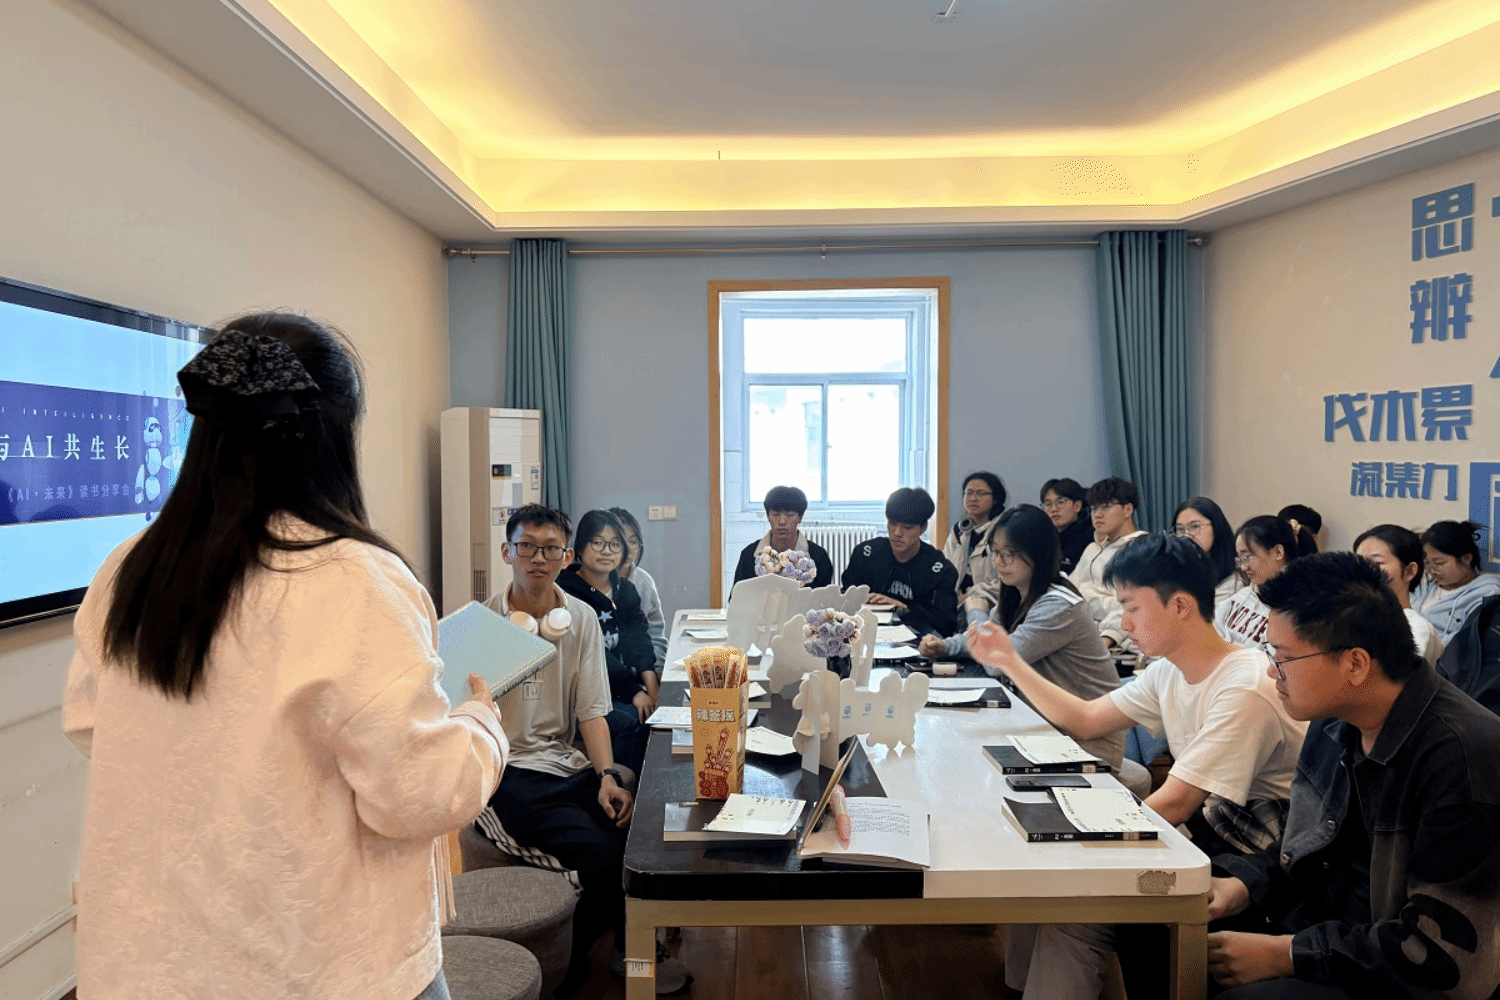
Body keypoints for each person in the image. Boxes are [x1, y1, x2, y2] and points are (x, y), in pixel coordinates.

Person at [62, 315, 508, 1000]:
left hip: (145, 960)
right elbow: (419, 793)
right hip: (325, 966)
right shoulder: (355, 581)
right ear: (336, 435)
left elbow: (91, 724)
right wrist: (481, 723)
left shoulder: (129, 569)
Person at [973, 534, 1306, 1000]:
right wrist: (1008, 660)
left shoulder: (1244, 685)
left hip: (1258, 860)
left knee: (1071, 903)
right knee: (1054, 896)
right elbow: (1086, 718)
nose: (1125, 622)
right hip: (1212, 836)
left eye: (1132, 607)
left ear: (1181, 606)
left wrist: (1066, 834)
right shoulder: (1170, 670)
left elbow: (1176, 802)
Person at [1202, 552, 1500, 1000]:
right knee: (1166, 936)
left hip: (1398, 975)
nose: (1270, 671)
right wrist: (1245, 885)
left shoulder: (1464, 755)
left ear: (1356, 664)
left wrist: (1288, 954)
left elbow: (1442, 954)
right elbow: (1308, 848)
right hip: (1331, 934)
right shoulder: (1335, 719)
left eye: (1283, 657)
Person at [477, 505, 690, 996]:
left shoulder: (580, 618)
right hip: (506, 772)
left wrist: (607, 775)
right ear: (507, 551)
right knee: (601, 857)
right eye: (526, 547)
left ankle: (624, 952)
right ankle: (579, 972)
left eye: (550, 549)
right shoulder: (482, 624)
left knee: (634, 835)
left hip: (563, 762)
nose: (538, 558)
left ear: (566, 556)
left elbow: (593, 711)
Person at [917, 504, 1125, 773]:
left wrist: (976, 612)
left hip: (1086, 742)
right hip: (1043, 727)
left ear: (1038, 554)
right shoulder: (1017, 592)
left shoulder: (1059, 606)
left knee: (963, 762)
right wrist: (944, 646)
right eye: (996, 552)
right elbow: (987, 639)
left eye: (1009, 554)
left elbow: (997, 660)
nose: (999, 562)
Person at [558, 508, 659, 776]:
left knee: (656, 714)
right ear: (580, 548)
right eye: (597, 543)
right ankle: (619, 785)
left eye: (615, 544)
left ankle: (638, 784)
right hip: (580, 698)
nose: (607, 551)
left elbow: (638, 639)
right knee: (634, 721)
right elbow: (594, 654)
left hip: (618, 690)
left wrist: (652, 689)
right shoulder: (566, 593)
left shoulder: (625, 589)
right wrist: (635, 692)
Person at [842, 486, 958, 637]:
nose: (897, 533)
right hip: (867, 633)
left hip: (917, 639)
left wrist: (902, 608)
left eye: (907, 528)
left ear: (923, 528)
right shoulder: (865, 554)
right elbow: (845, 599)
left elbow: (945, 625)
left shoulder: (940, 569)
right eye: (892, 524)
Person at [1068, 477, 1147, 651]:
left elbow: (1134, 605)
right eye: (1094, 508)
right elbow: (1069, 592)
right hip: (1079, 633)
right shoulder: (1092, 549)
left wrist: (1107, 638)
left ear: (1128, 510)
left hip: (1115, 641)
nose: (1097, 514)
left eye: (1105, 507)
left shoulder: (1142, 549)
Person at [1353, 523, 1444, 664]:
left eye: (1377, 563)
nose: (1364, 570)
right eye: (1359, 562)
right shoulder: (1352, 619)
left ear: (1409, 571)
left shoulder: (1416, 629)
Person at [1217, 515, 1310, 649]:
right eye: (1240, 559)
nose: (1244, 567)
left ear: (1278, 552)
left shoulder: (1301, 608)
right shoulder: (1240, 598)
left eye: (1247, 557)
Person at [1413, 519, 1500, 647]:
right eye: (1427, 563)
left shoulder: (1487, 594)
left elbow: (1465, 642)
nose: (1432, 570)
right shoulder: (1423, 588)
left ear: (1466, 559)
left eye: (1439, 563)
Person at [731, 485, 834, 589]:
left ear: (800, 517)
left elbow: (821, 598)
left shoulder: (818, 557)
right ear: (768, 517)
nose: (782, 522)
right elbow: (738, 596)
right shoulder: (749, 555)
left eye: (790, 515)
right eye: (775, 514)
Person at [609, 506, 667, 669]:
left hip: (643, 672)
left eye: (633, 541)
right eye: (619, 541)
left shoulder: (644, 582)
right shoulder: (593, 581)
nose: (627, 549)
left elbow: (656, 636)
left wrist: (654, 671)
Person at [943, 470, 1007, 607]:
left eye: (981, 493)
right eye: (969, 493)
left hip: (991, 604)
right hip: (956, 602)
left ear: (995, 499)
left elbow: (1006, 581)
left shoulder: (1004, 531)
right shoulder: (958, 530)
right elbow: (945, 568)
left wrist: (969, 595)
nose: (973, 498)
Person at [1174, 496, 1241, 607]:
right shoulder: (1175, 568)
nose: (1186, 535)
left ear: (1216, 527)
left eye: (1195, 526)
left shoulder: (1233, 581)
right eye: (1180, 529)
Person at [1041, 477, 1092, 574]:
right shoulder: (1045, 539)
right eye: (1048, 504)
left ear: (1077, 506)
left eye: (1061, 502)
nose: (1053, 509)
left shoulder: (1090, 538)